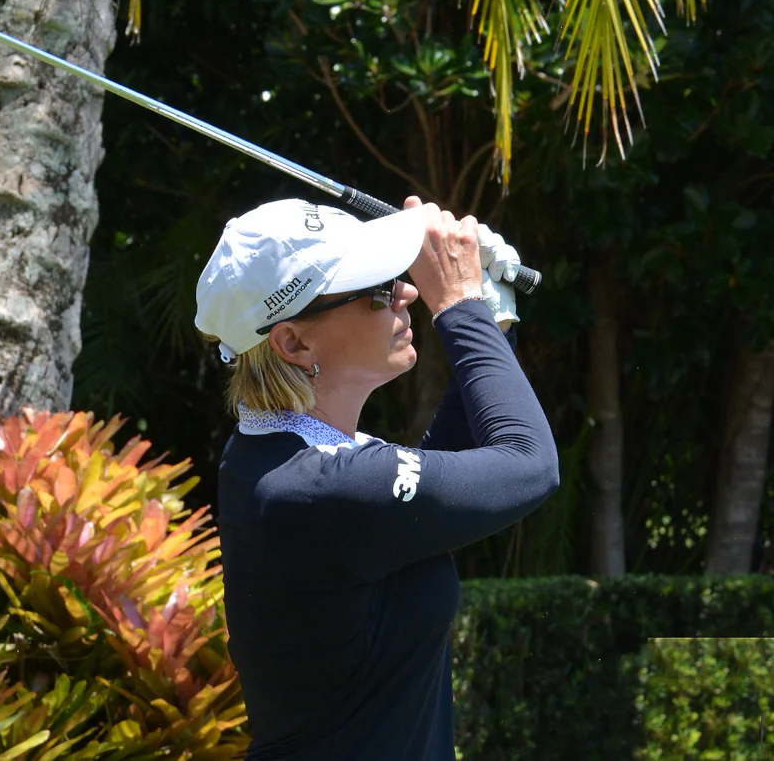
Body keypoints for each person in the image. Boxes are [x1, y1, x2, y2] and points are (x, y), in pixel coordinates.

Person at [193, 196, 558, 761]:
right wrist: (461, 306)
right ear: (293, 342)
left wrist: (493, 318)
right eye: (377, 289)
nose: (406, 291)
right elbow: (528, 464)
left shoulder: (279, 456)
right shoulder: (315, 489)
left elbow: (454, 474)